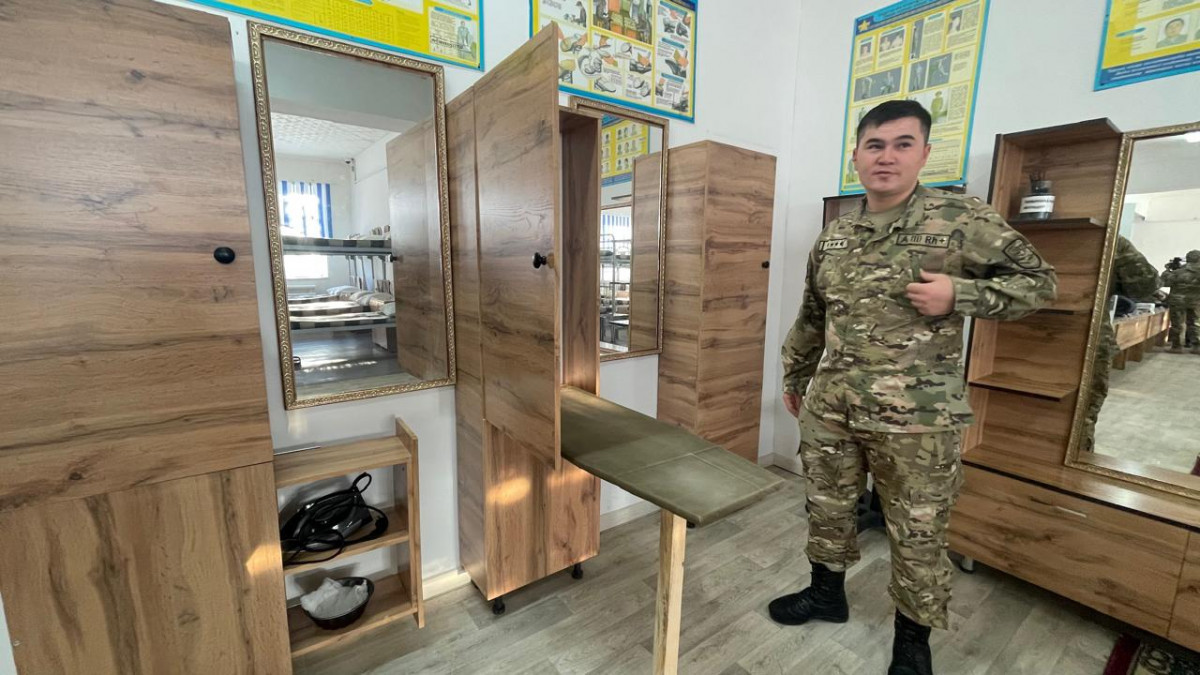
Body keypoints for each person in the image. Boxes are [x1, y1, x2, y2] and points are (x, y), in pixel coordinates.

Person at [771, 100, 1056, 675]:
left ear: (924, 154)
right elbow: (812, 314)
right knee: (827, 507)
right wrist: (797, 375)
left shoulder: (960, 219)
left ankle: (912, 639)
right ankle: (826, 594)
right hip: (833, 406)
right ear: (856, 156)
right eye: (874, 145)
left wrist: (961, 295)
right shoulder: (835, 235)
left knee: (918, 530)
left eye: (902, 144)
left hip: (918, 419)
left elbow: (1040, 283)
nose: (887, 157)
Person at [1081, 236, 1161, 453]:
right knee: (1080, 417)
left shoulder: (1108, 238)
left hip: (1086, 341)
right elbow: (1147, 286)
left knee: (1080, 415)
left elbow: (1144, 287)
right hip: (1084, 341)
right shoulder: (1109, 240)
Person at [1163, 250, 1200, 353]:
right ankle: (1197, 346)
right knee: (1195, 323)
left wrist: (1167, 269)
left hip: (1178, 301)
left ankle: (1176, 346)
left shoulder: (1179, 271)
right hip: (1196, 301)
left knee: (1177, 324)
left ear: (1187, 259)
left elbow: (1165, 282)